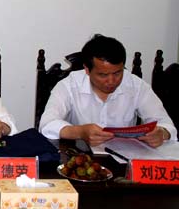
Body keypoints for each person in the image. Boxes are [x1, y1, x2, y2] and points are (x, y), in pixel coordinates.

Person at [39, 34, 176, 148]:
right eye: (103, 75)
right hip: (80, 157)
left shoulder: (136, 86)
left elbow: (166, 124)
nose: (111, 81)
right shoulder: (70, 85)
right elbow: (47, 124)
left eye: (117, 73)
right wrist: (80, 132)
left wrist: (161, 133)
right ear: (87, 69)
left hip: (125, 159)